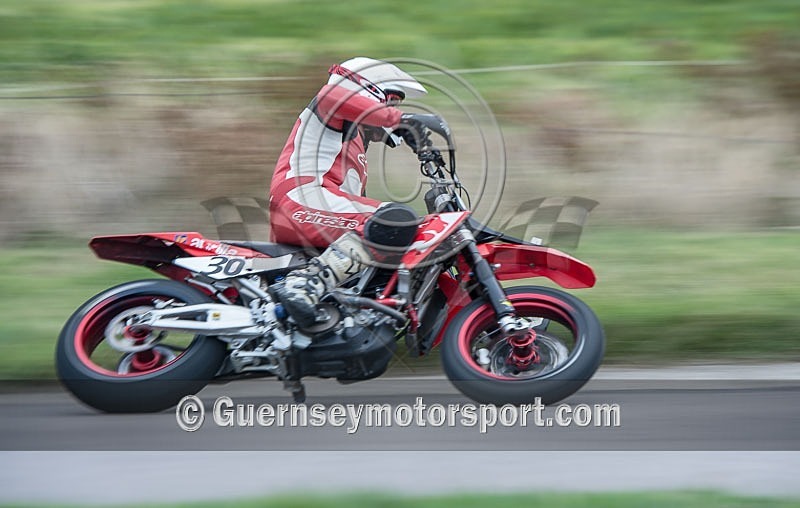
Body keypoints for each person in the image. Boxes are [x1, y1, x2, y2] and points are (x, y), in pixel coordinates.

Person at [268, 57, 429, 328]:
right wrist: (401, 119)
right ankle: (304, 284)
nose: (394, 109)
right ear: (369, 92)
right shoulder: (332, 111)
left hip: (312, 212)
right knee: (394, 218)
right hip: (302, 199)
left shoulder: (354, 144)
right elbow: (333, 96)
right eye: (391, 101)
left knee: (390, 231)